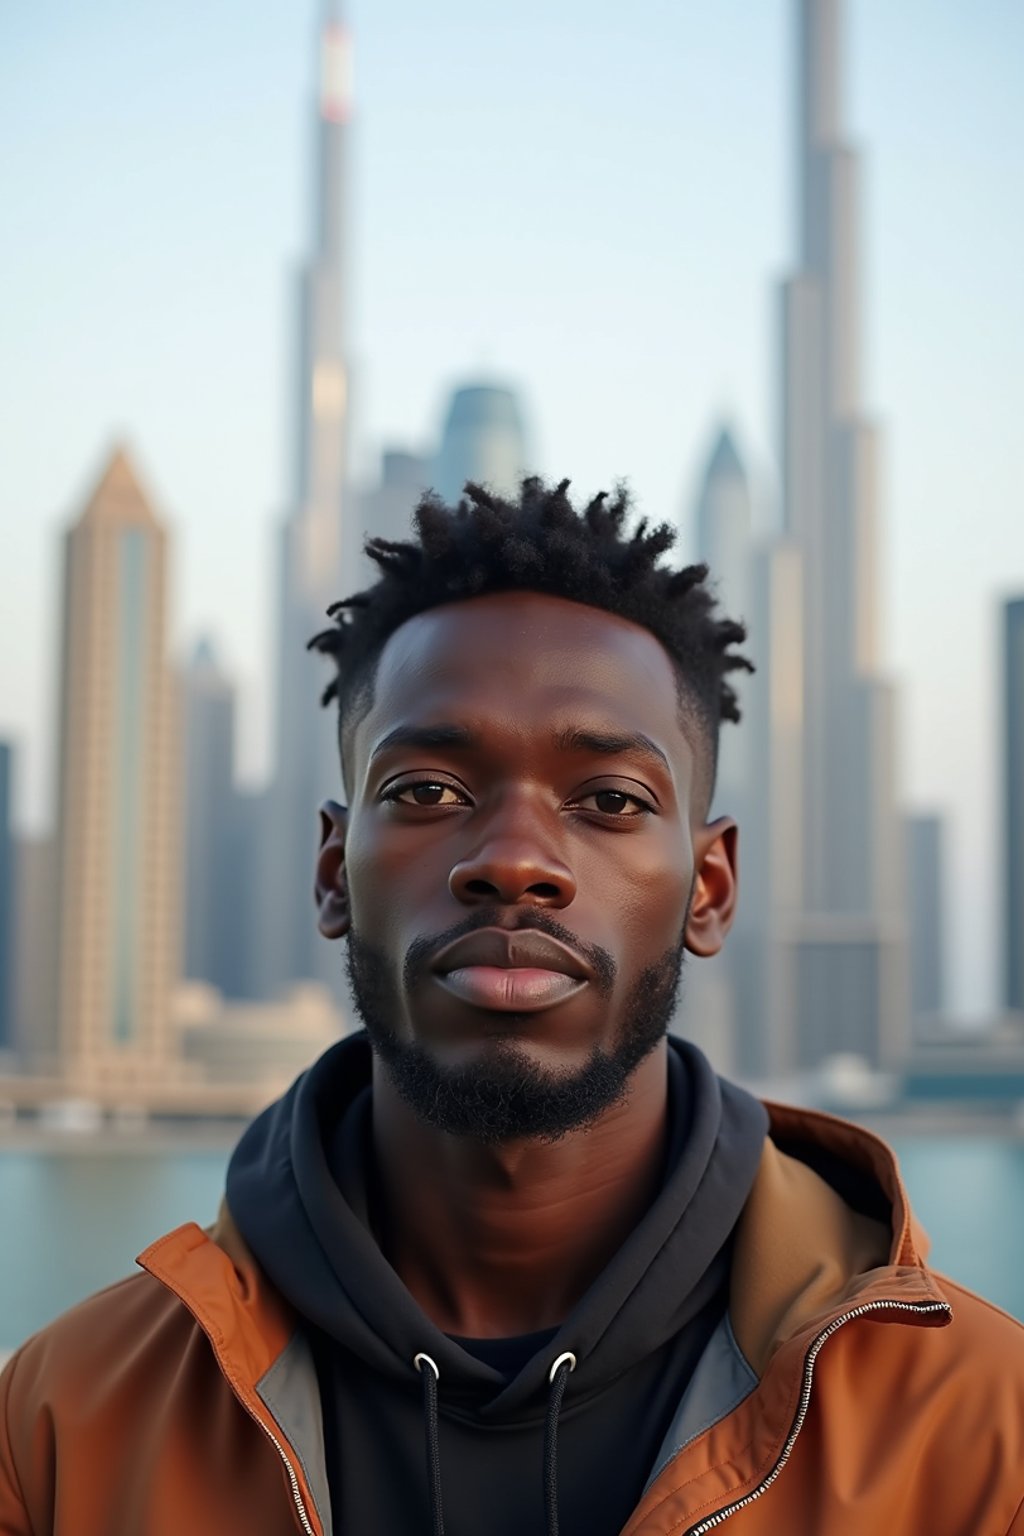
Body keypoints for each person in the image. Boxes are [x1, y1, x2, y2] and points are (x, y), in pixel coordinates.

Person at [2, 478, 1023, 1536]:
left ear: (707, 889)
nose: (515, 863)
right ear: (331, 872)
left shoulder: (984, 1437)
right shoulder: (58, 1429)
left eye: (611, 802)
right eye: (429, 792)